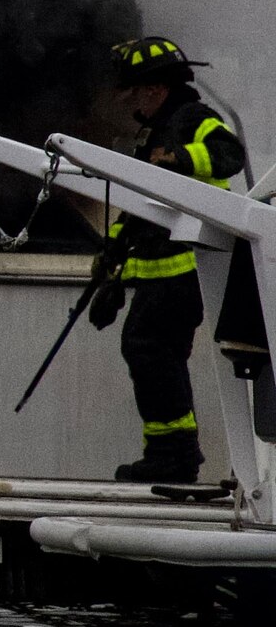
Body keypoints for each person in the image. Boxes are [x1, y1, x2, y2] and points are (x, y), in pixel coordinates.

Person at [88, 34, 253, 485]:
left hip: (187, 269)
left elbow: (229, 155)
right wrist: (112, 262)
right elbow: (140, 209)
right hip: (164, 272)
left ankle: (173, 456)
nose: (130, 104)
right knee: (152, 350)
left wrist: (180, 158)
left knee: (148, 348)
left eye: (134, 93)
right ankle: (171, 453)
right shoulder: (157, 133)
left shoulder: (191, 119)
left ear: (155, 90)